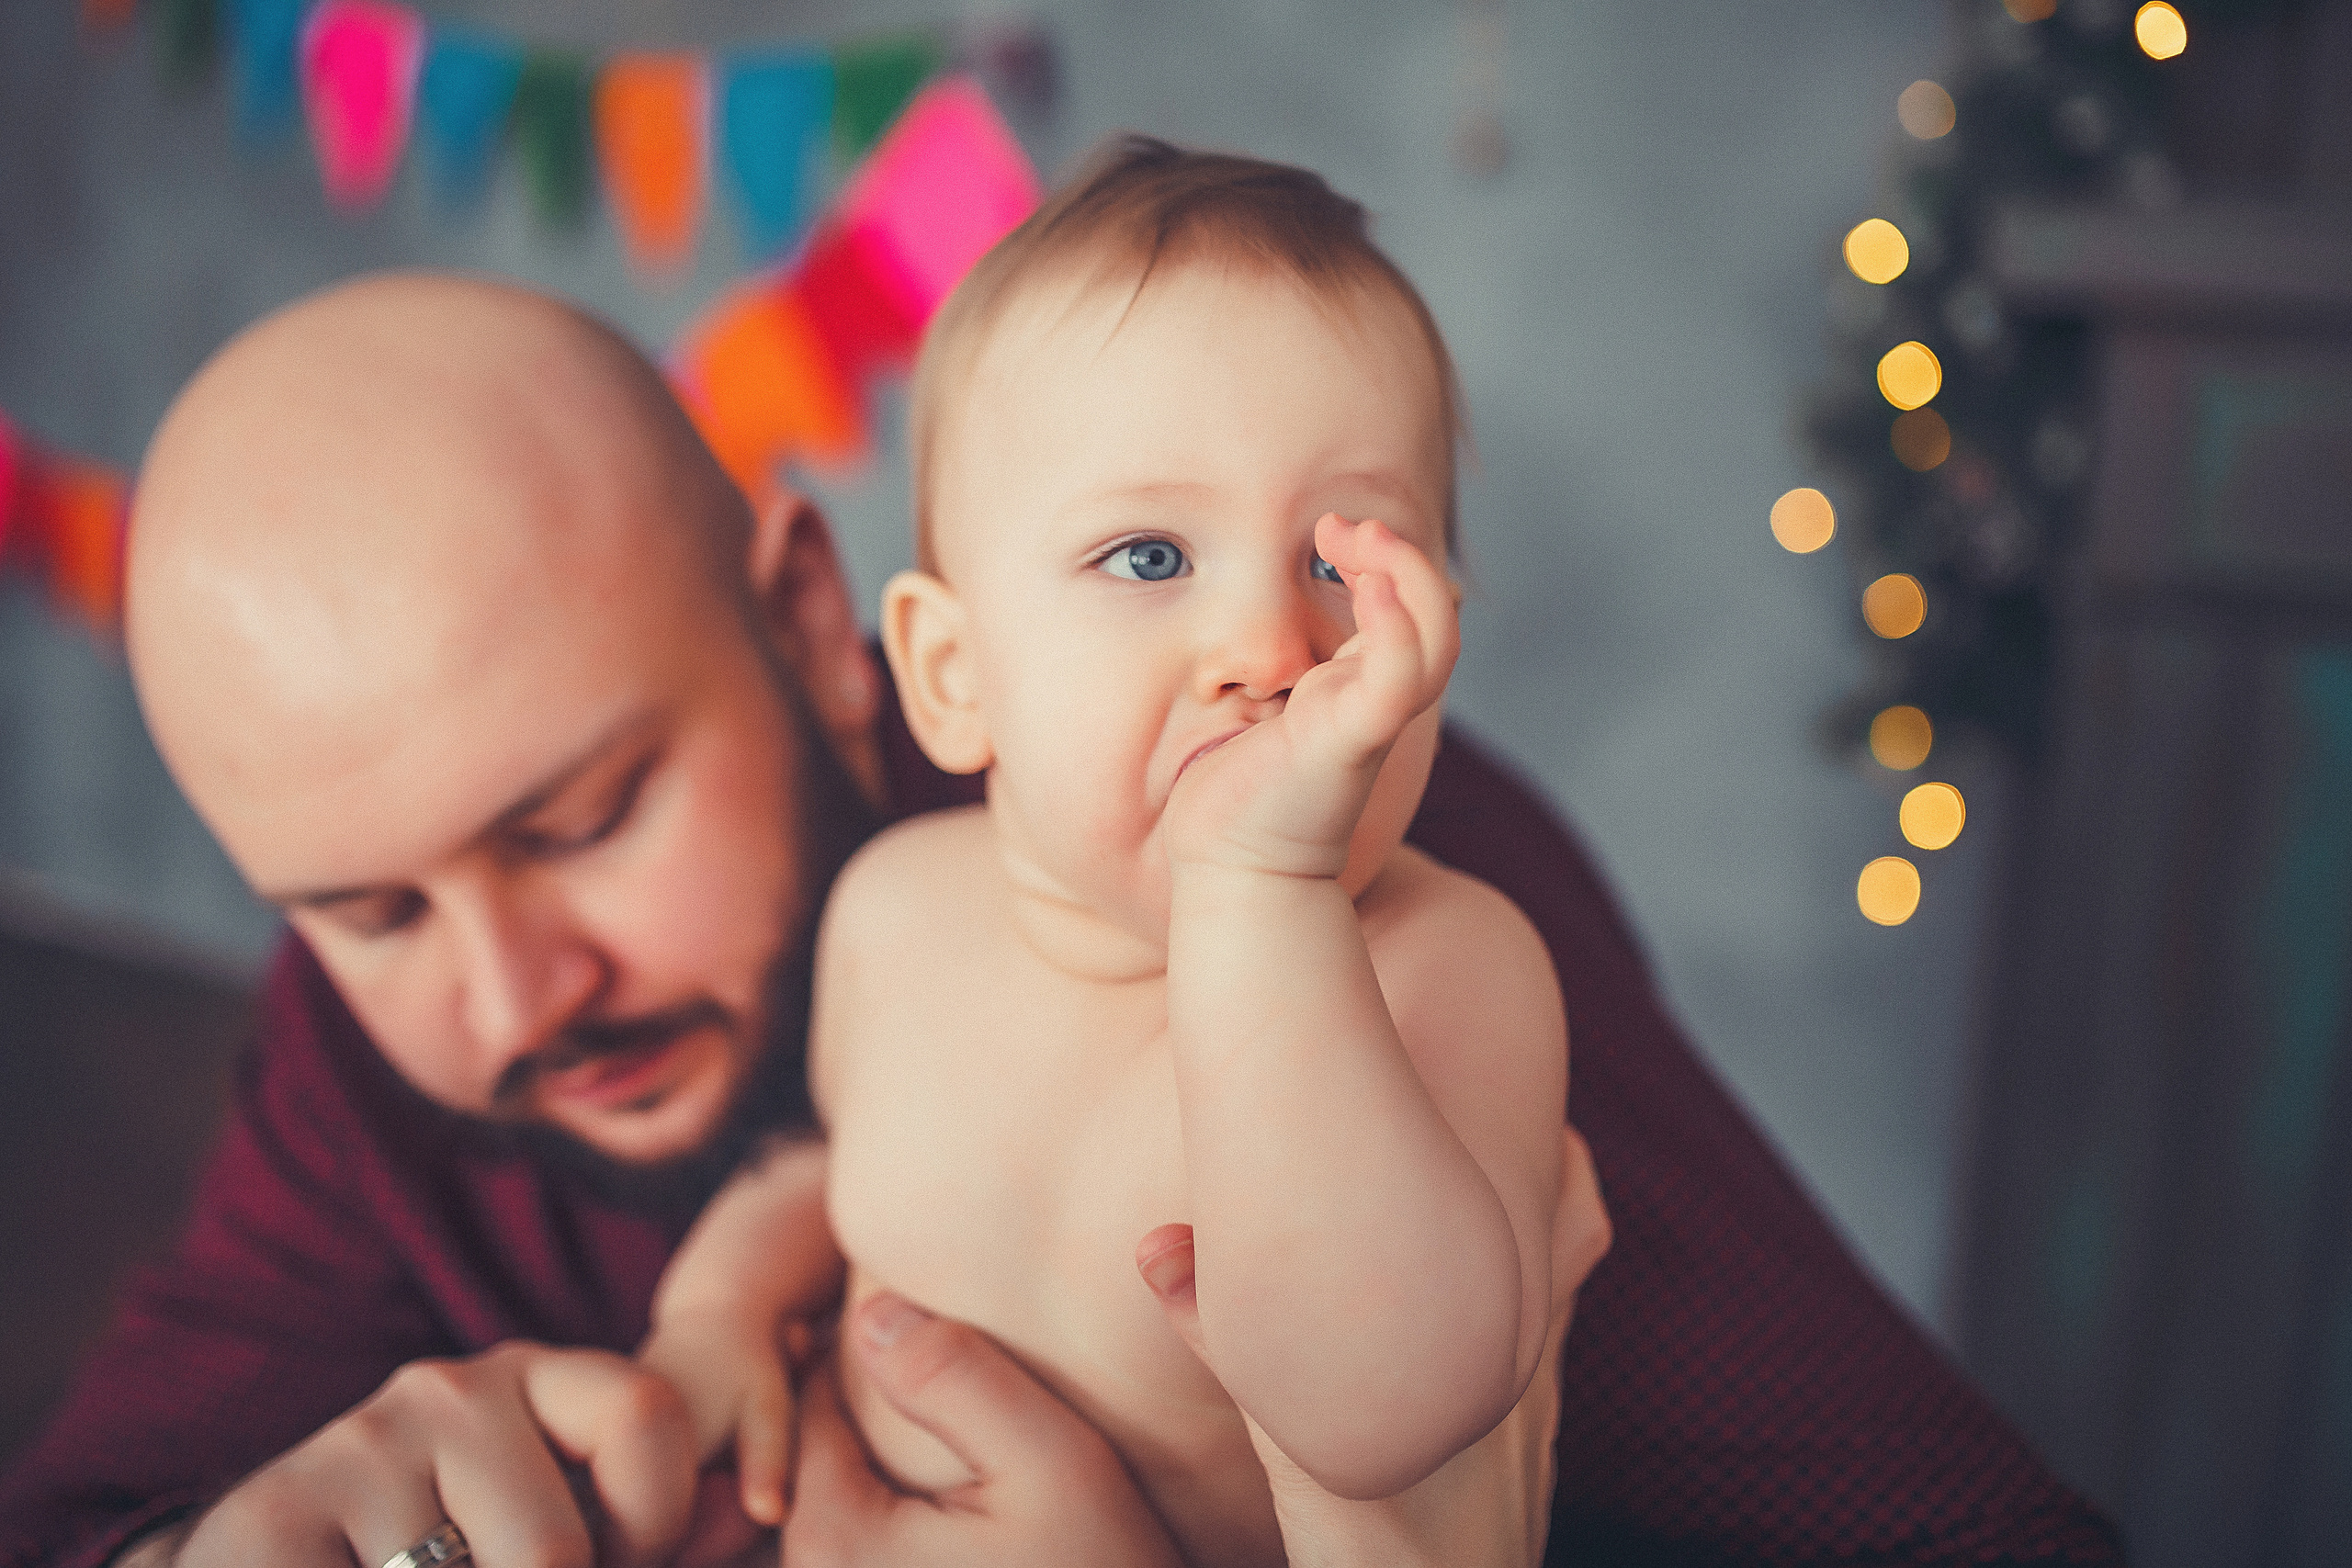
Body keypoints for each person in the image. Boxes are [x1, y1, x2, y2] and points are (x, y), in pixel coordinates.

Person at [0, 267, 2123, 1568]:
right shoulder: (394, 1038)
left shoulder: (1297, 863)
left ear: (833, 630)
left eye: (586, 817)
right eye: (365, 906)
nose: (506, 993)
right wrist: (216, 1543)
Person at [640, 141, 1570, 1568]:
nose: (1268, 652)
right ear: (951, 676)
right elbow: (831, 1178)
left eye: (1342, 558)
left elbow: (1385, 1418)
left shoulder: (1447, 973)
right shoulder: (891, 915)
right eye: (1148, 557)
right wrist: (712, 1321)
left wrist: (1259, 891)